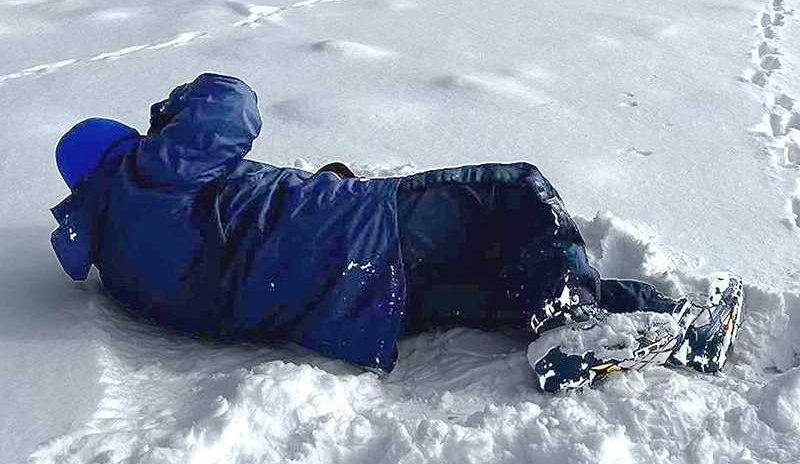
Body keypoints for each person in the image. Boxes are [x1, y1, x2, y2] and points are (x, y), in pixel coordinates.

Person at [51, 72, 687, 375]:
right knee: (514, 190)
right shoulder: (144, 173)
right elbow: (234, 105)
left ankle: (667, 322)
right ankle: (577, 325)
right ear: (117, 151)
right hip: (363, 234)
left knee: (512, 282)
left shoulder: (122, 271)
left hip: (355, 311)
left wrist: (309, 190)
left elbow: (228, 245)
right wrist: (173, 110)